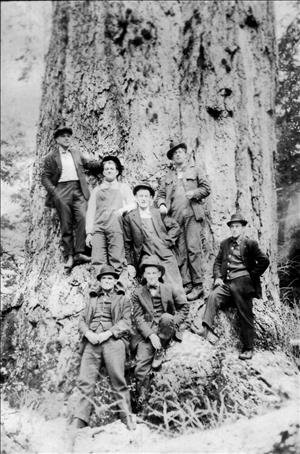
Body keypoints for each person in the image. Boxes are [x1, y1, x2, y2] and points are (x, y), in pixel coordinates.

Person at [74, 265, 135, 430]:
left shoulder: (123, 299)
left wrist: (108, 333)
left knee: (118, 379)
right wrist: (88, 334)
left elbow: (126, 322)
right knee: (85, 380)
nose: (107, 281)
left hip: (113, 341)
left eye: (110, 278)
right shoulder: (92, 299)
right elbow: (81, 321)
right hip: (92, 341)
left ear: (115, 281)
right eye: (104, 278)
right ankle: (80, 418)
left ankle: (126, 416)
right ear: (100, 281)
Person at [201, 213, 270, 360]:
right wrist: (218, 277)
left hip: (243, 283)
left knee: (245, 312)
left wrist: (251, 276)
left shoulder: (250, 244)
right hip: (227, 282)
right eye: (232, 226)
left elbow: (264, 261)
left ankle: (248, 348)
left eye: (237, 226)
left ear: (243, 228)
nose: (234, 229)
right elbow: (218, 262)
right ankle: (205, 330)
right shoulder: (225, 244)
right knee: (213, 296)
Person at [132, 255, 189, 408]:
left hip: (165, 326)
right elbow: (138, 318)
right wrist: (150, 335)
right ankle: (142, 399)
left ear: (159, 274)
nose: (151, 276)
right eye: (148, 273)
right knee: (141, 364)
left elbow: (184, 307)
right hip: (149, 330)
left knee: (165, 317)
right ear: (144, 275)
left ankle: (160, 349)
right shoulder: (138, 293)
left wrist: (173, 322)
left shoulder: (169, 289)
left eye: (154, 273)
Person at [157, 141, 211, 301]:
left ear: (186, 154)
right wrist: (161, 204)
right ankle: (187, 284)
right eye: (175, 153)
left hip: (192, 215)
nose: (178, 154)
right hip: (174, 219)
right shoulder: (168, 177)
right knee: (180, 252)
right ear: (172, 158)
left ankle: (198, 285)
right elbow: (160, 194)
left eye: (181, 151)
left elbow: (207, 189)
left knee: (193, 248)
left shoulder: (195, 170)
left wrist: (194, 193)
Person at [41, 126, 101, 269]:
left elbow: (88, 164)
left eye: (69, 136)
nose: (67, 138)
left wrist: (105, 164)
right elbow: (45, 177)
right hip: (61, 190)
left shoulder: (76, 153)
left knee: (83, 218)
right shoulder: (51, 156)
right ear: (57, 139)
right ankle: (69, 255)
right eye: (63, 136)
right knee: (66, 223)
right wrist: (55, 192)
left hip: (78, 189)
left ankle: (80, 252)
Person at [123, 181, 184, 289]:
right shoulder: (130, 217)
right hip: (146, 254)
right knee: (151, 277)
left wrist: (167, 241)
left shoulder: (157, 213)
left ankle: (179, 303)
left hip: (164, 251)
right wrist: (130, 264)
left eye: (146, 196)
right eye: (140, 196)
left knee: (173, 280)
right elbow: (127, 243)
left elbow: (175, 227)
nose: (143, 199)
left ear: (151, 198)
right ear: (136, 198)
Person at [85, 155, 136, 277]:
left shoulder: (123, 188)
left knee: (117, 259)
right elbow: (91, 212)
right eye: (106, 169)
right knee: (97, 260)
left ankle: (119, 289)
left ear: (117, 171)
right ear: (103, 172)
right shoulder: (97, 190)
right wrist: (89, 233)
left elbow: (133, 204)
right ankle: (99, 289)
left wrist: (122, 210)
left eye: (112, 168)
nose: (109, 171)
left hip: (116, 228)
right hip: (98, 229)